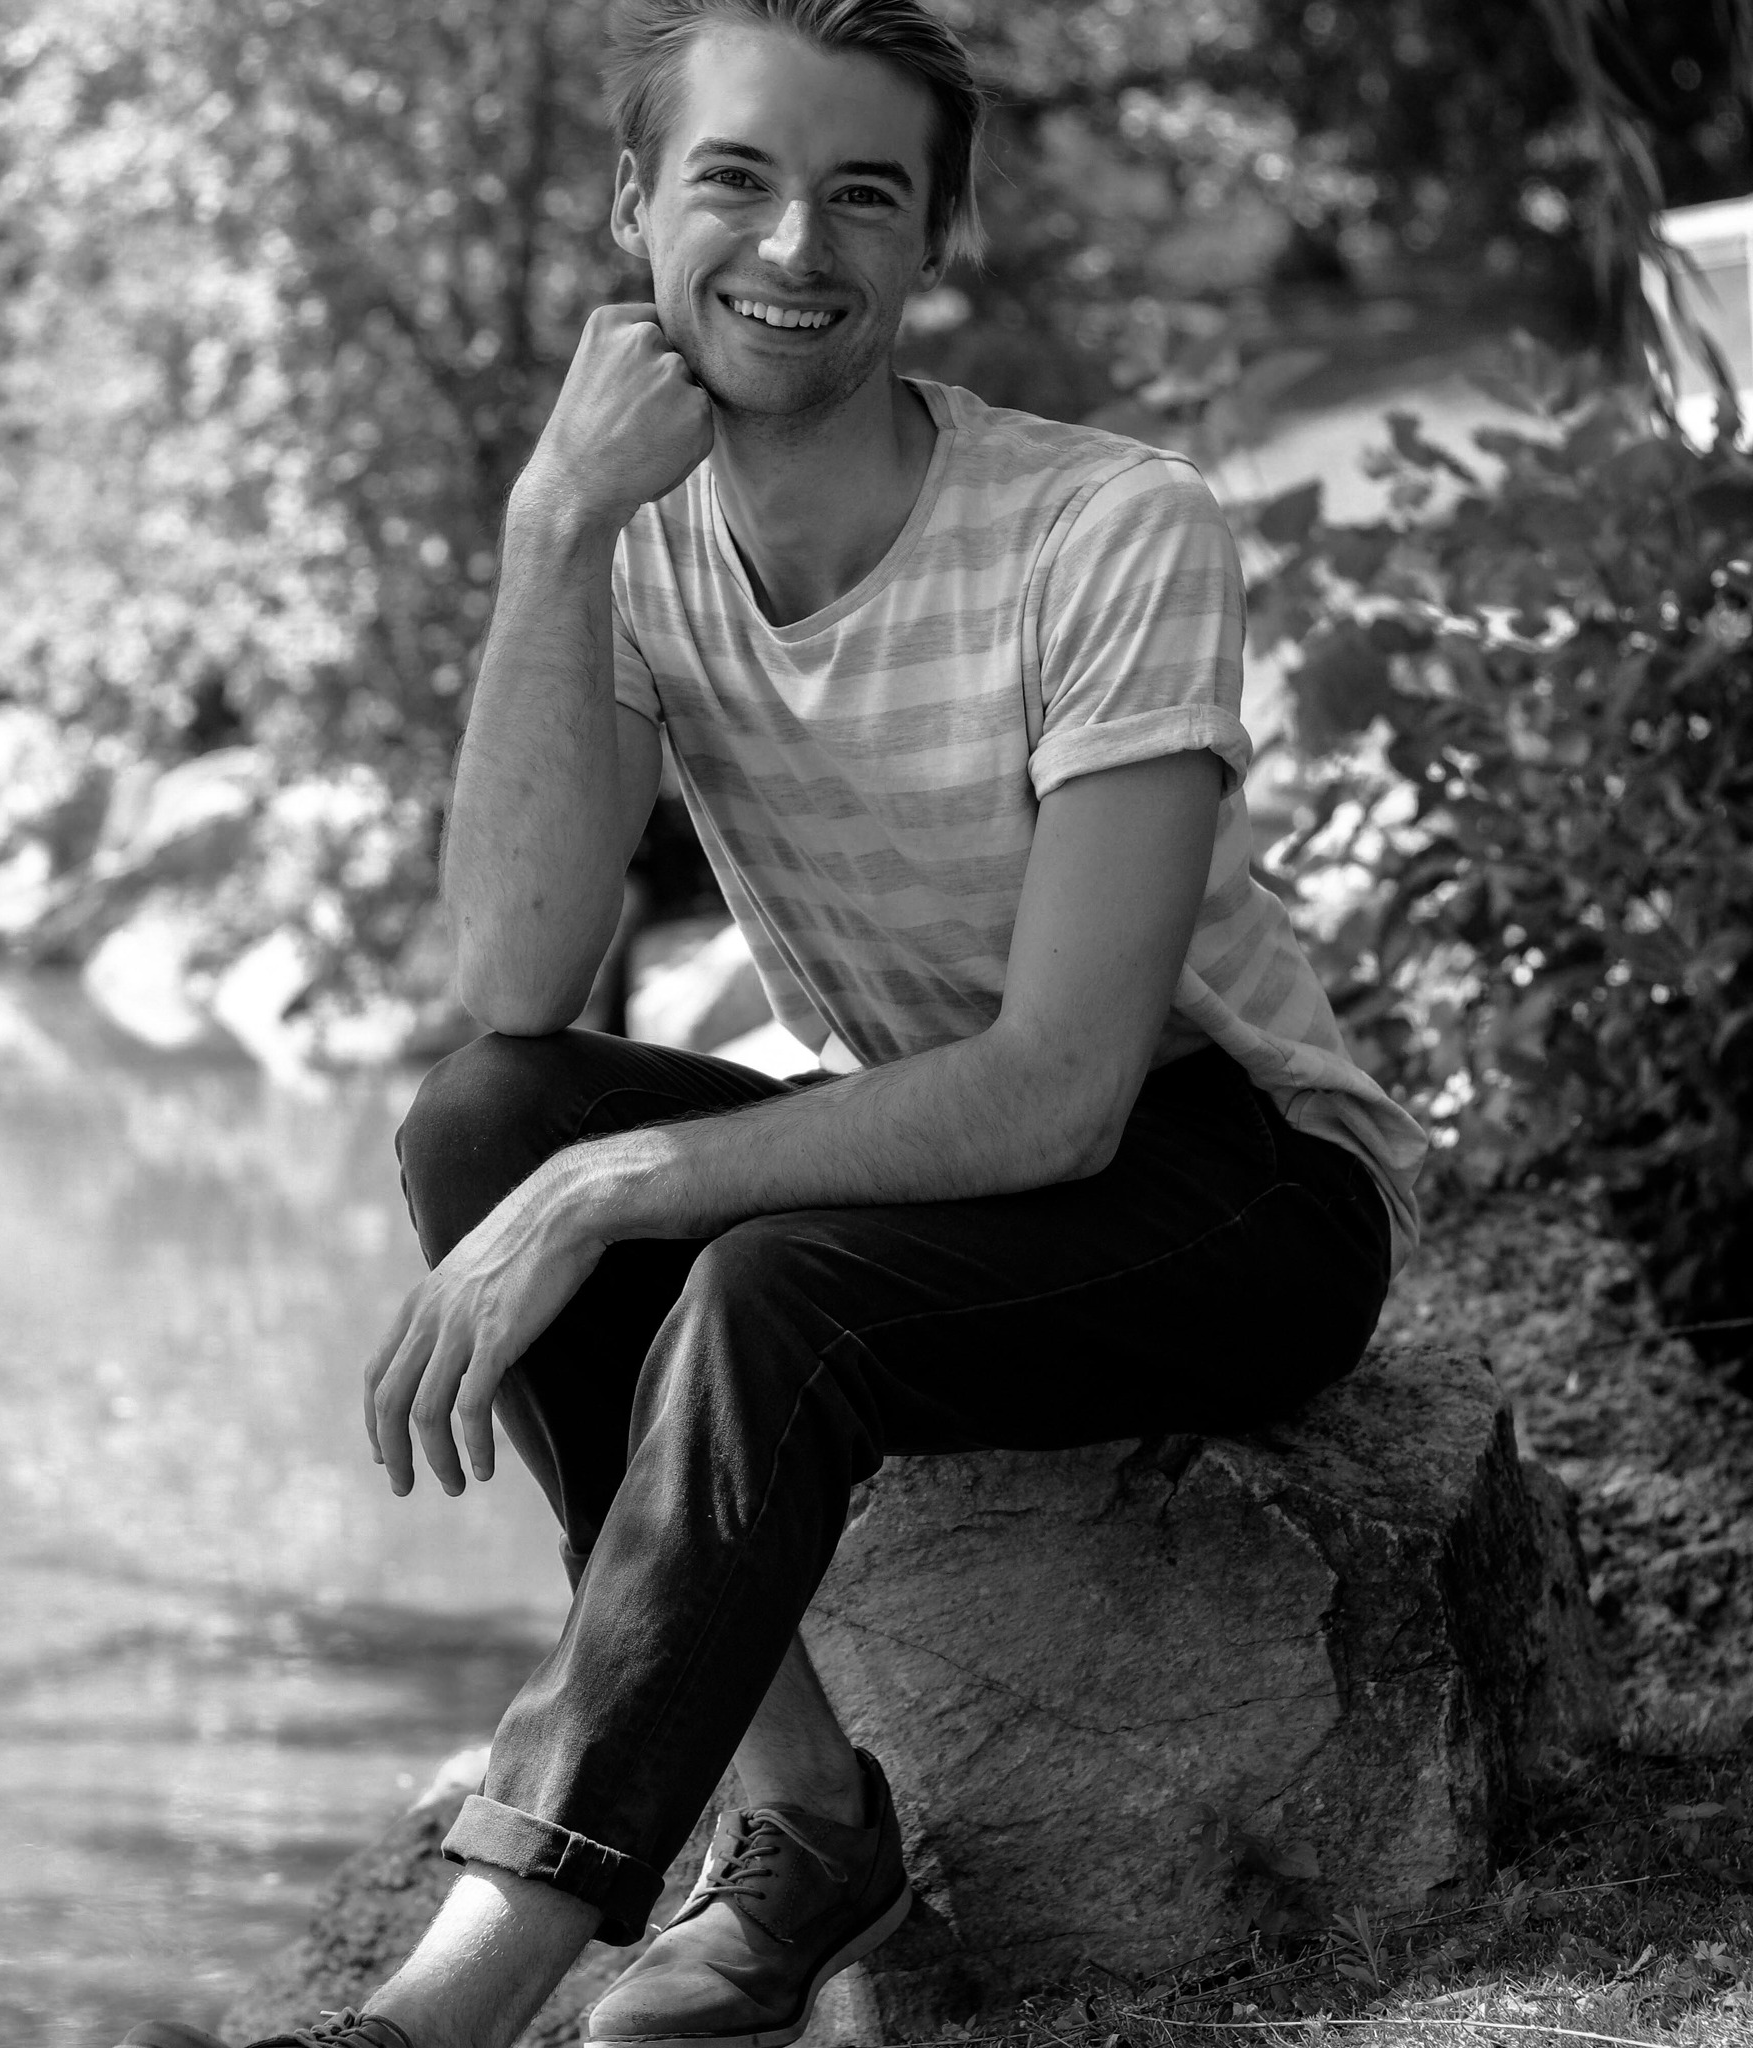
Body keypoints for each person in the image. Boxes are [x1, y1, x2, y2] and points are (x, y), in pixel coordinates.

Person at [121, 5, 1426, 2048]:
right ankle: (803, 1815)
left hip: (1237, 1183)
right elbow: (514, 984)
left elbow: (1069, 1089)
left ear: (930, 246)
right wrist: (551, 526)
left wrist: (624, 1181)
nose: (793, 245)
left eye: (861, 195)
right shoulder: (630, 535)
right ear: (636, 207)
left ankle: (456, 1997)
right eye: (732, 178)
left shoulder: (1106, 530)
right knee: (486, 1118)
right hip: (966, 1152)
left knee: (748, 1279)